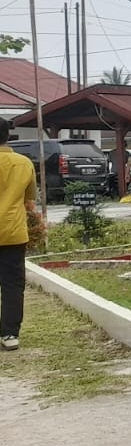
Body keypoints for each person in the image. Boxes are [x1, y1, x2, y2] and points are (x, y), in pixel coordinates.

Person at [0, 118, 39, 351]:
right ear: (8, 135)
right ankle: (10, 334)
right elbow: (29, 197)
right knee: (13, 284)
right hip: (13, 231)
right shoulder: (23, 163)